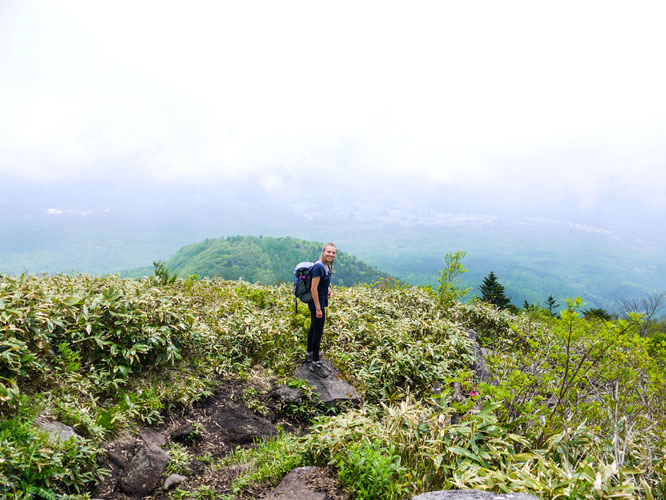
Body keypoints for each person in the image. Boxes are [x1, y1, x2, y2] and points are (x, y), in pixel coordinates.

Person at [306, 242, 336, 378]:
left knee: (313, 327)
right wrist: (318, 309)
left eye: (333, 252)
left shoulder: (326, 265)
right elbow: (313, 288)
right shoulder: (318, 266)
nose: (331, 254)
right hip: (317, 303)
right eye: (328, 252)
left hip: (320, 301)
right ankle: (315, 363)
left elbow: (322, 282)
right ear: (323, 252)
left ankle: (309, 353)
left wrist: (328, 288)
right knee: (318, 332)